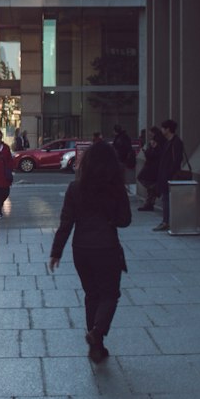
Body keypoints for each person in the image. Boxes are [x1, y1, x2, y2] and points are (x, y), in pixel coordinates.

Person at [49, 140, 132, 364]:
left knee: (92, 295)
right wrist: (109, 218)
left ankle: (97, 346)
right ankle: (97, 333)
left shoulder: (75, 188)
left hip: (81, 249)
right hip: (106, 247)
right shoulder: (115, 188)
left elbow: (66, 222)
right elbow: (125, 220)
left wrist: (56, 252)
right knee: (110, 294)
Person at [153, 118, 187, 232]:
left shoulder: (176, 142)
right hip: (165, 174)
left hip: (170, 175)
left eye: (163, 128)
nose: (161, 130)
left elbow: (177, 160)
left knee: (167, 199)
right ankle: (166, 221)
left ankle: (166, 222)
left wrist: (170, 173)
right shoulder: (167, 141)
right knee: (165, 198)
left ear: (167, 129)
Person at [137, 126, 164, 211]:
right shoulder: (159, 141)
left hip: (152, 166)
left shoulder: (156, 142)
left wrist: (149, 150)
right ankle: (149, 203)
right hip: (154, 166)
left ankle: (154, 190)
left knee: (143, 179)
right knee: (150, 187)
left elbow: (152, 154)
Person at [111, 125, 135, 191]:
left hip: (120, 159)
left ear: (115, 131)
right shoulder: (124, 137)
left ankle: (121, 188)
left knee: (120, 174)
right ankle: (123, 187)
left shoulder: (119, 138)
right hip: (123, 159)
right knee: (122, 174)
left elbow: (118, 148)